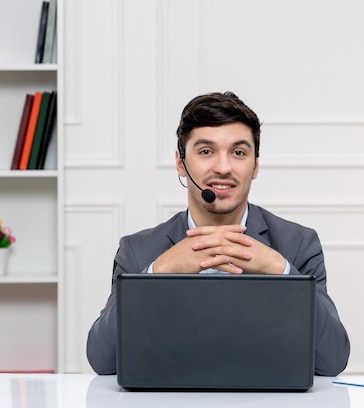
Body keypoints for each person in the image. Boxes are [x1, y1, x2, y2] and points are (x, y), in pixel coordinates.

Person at [86, 91, 350, 377]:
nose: (223, 168)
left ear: (255, 166)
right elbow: (103, 360)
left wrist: (282, 271)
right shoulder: (138, 250)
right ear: (180, 163)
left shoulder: (299, 244)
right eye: (205, 151)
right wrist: (157, 274)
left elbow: (332, 360)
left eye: (238, 152)